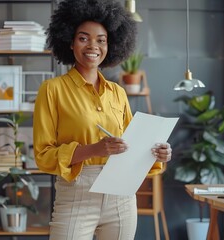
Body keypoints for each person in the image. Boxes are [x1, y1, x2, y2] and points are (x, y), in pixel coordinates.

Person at [33, 0, 172, 239]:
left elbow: (133, 148)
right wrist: (93, 149)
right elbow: (43, 156)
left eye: (101, 40)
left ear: (111, 45)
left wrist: (157, 153)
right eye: (83, 38)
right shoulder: (52, 90)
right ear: (70, 41)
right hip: (77, 196)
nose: (93, 46)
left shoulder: (117, 93)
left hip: (121, 199)